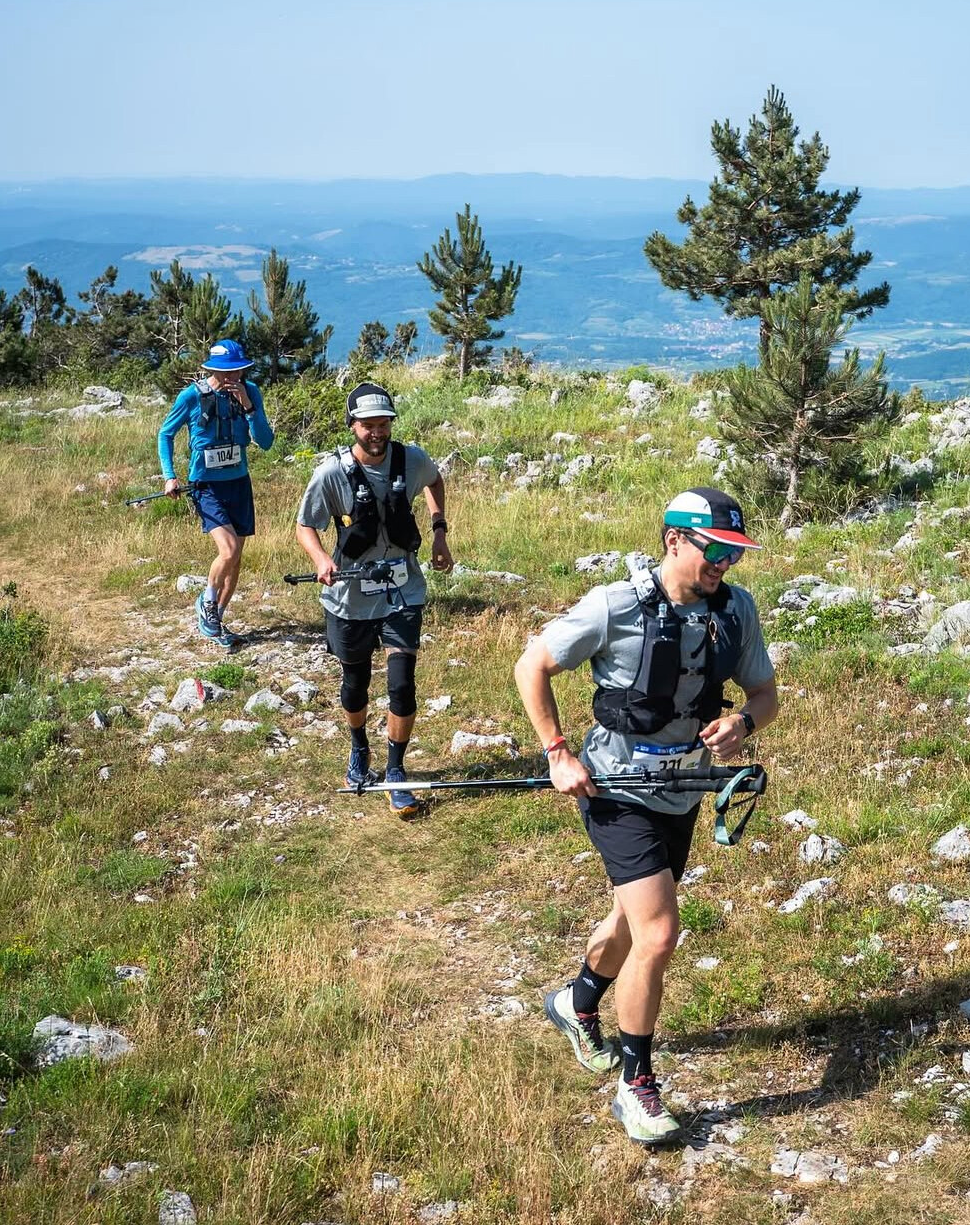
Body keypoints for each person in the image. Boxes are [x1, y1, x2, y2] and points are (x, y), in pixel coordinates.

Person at [513, 487, 778, 1146]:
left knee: (631, 921)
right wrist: (557, 753)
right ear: (674, 539)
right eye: (714, 550)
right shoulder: (616, 605)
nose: (724, 564)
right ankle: (636, 1084)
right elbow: (532, 665)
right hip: (614, 789)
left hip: (683, 790)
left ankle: (575, 1003)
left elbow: (765, 694)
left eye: (734, 554)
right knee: (658, 932)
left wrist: (743, 723)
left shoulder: (735, 609)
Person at [295, 382, 454, 818]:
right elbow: (305, 526)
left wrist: (439, 531)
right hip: (349, 598)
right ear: (353, 426)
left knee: (402, 684)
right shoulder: (331, 473)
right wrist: (321, 558)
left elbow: (435, 480)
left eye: (383, 423)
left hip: (403, 589)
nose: (377, 432)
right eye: (368, 425)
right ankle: (359, 748)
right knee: (356, 682)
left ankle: (396, 770)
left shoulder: (411, 460)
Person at [158, 339, 275, 648]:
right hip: (206, 485)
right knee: (228, 550)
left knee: (236, 559)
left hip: (239, 483)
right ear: (213, 370)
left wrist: (248, 407)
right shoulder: (192, 396)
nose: (233, 377)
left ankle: (217, 618)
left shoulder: (251, 392)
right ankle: (207, 601)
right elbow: (165, 434)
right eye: (227, 373)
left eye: (238, 371)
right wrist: (170, 476)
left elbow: (265, 442)